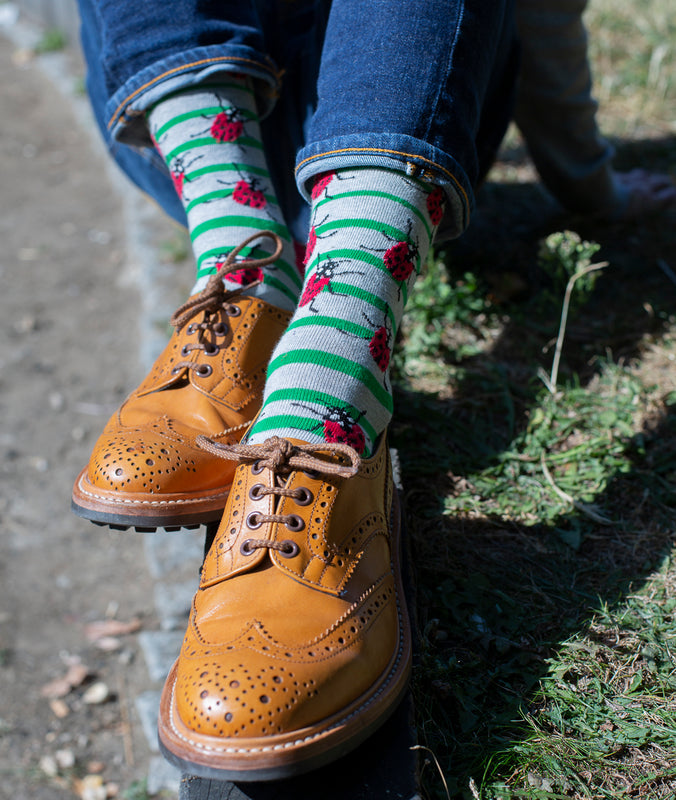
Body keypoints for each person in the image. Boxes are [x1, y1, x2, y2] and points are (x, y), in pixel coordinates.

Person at [71, 0, 675, 781]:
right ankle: (246, 270)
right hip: (216, 133)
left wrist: (591, 183)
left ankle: (333, 347)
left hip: (402, 130)